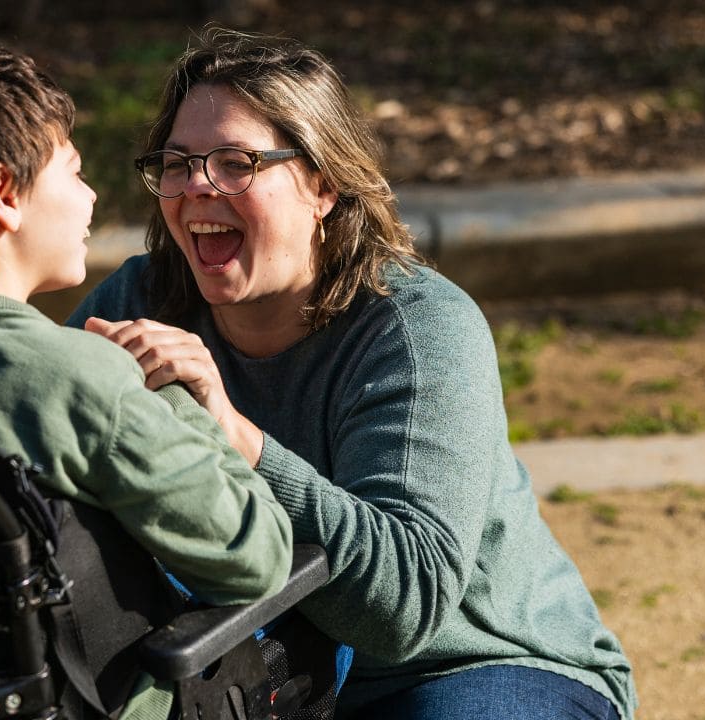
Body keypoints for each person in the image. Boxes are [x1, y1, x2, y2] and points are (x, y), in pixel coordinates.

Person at [68, 28, 636, 720]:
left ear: (323, 185)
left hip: (468, 667)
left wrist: (235, 437)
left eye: (235, 163)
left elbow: (403, 612)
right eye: (179, 163)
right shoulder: (137, 304)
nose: (195, 188)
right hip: (256, 676)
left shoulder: (420, 330)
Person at [0, 41, 295, 720]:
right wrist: (177, 397)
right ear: (5, 194)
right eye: (76, 171)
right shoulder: (77, 376)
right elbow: (256, 556)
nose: (91, 197)